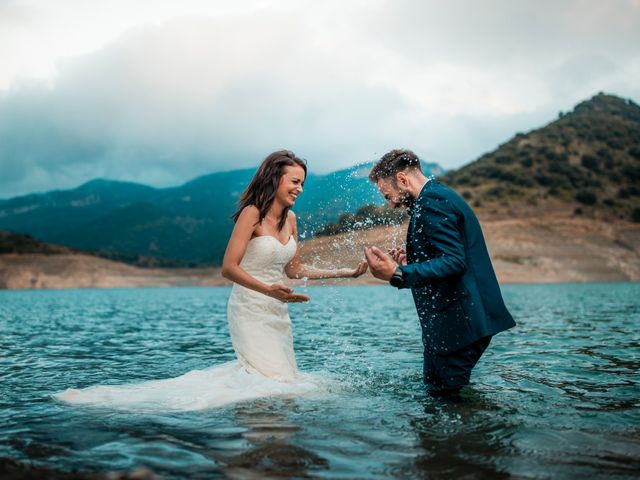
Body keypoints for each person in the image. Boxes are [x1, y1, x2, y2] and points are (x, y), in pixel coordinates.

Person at [53, 150, 367, 411]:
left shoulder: (292, 219)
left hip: (277, 311)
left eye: (303, 183)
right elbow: (228, 268)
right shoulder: (251, 214)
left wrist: (346, 272)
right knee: (274, 383)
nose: (300, 188)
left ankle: (268, 431)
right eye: (295, 181)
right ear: (276, 179)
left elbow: (295, 270)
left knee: (281, 379)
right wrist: (269, 291)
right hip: (249, 308)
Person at [364, 149, 515, 396]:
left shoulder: (433, 202)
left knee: (446, 400)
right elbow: (447, 257)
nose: (391, 204)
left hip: (460, 325)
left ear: (402, 179)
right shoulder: (435, 197)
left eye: (388, 195)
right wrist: (412, 261)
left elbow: (455, 261)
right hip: (452, 325)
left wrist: (398, 273)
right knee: (438, 395)